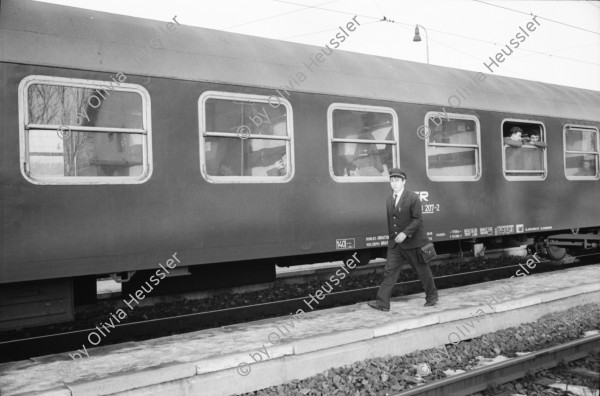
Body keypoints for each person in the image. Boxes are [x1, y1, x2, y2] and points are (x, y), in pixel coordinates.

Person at [368, 168, 439, 311]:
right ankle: (382, 303)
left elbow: (417, 219)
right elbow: (391, 222)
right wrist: (392, 240)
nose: (394, 184)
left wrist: (405, 233)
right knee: (389, 272)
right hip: (396, 245)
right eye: (392, 180)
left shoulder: (412, 198)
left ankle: (432, 297)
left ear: (404, 182)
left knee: (422, 271)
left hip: (413, 243)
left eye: (397, 180)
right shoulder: (389, 199)